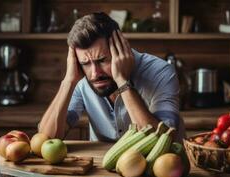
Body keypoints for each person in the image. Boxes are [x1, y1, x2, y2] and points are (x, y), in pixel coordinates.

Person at [39, 12, 185, 142]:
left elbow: (163, 141)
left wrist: (122, 81)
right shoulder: (80, 78)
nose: (95, 73)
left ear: (121, 48)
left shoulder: (161, 72)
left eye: (102, 60)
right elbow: (47, 139)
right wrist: (68, 81)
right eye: (85, 63)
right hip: (100, 168)